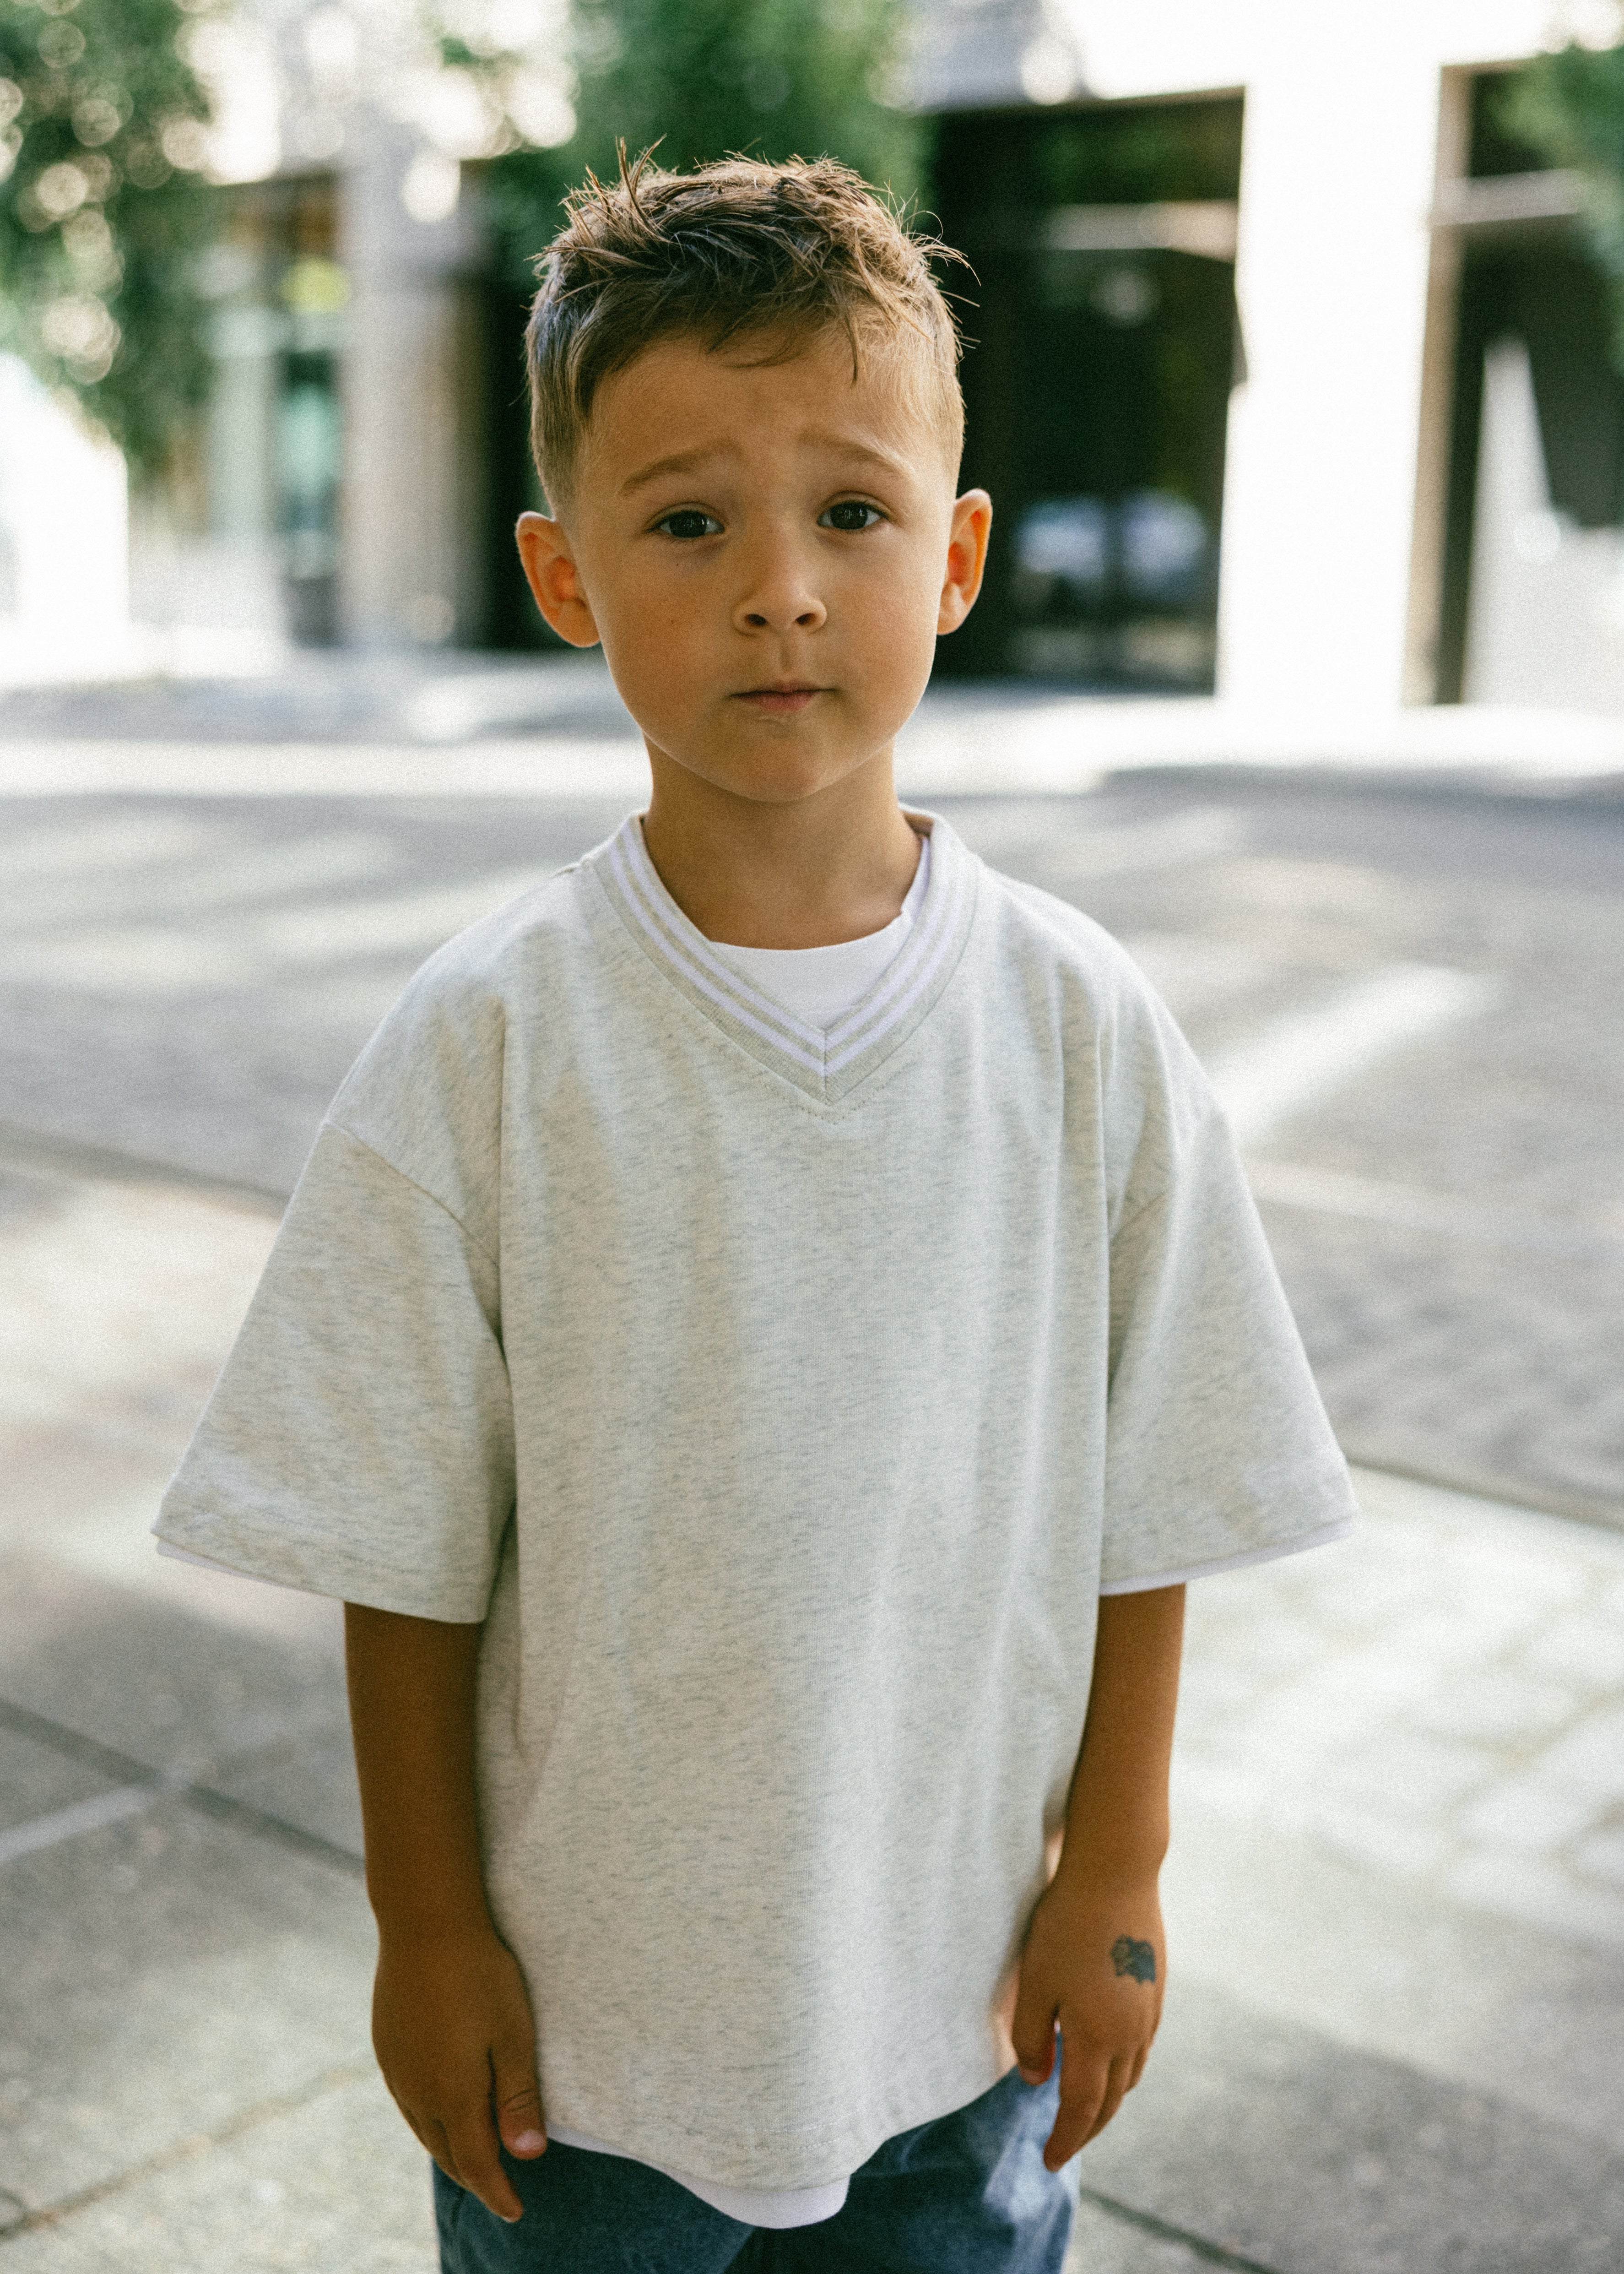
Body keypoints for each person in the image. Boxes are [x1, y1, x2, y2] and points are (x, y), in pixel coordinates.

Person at [155, 152, 1356, 2272]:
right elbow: (397, 1550)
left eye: (852, 515)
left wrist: (1116, 1873)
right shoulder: (490, 1043)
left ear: (956, 555)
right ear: (563, 576)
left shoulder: (1077, 1029)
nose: (780, 589)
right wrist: (426, 1929)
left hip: (963, 2010)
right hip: (592, 2053)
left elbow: (1156, 1492)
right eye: (688, 522)